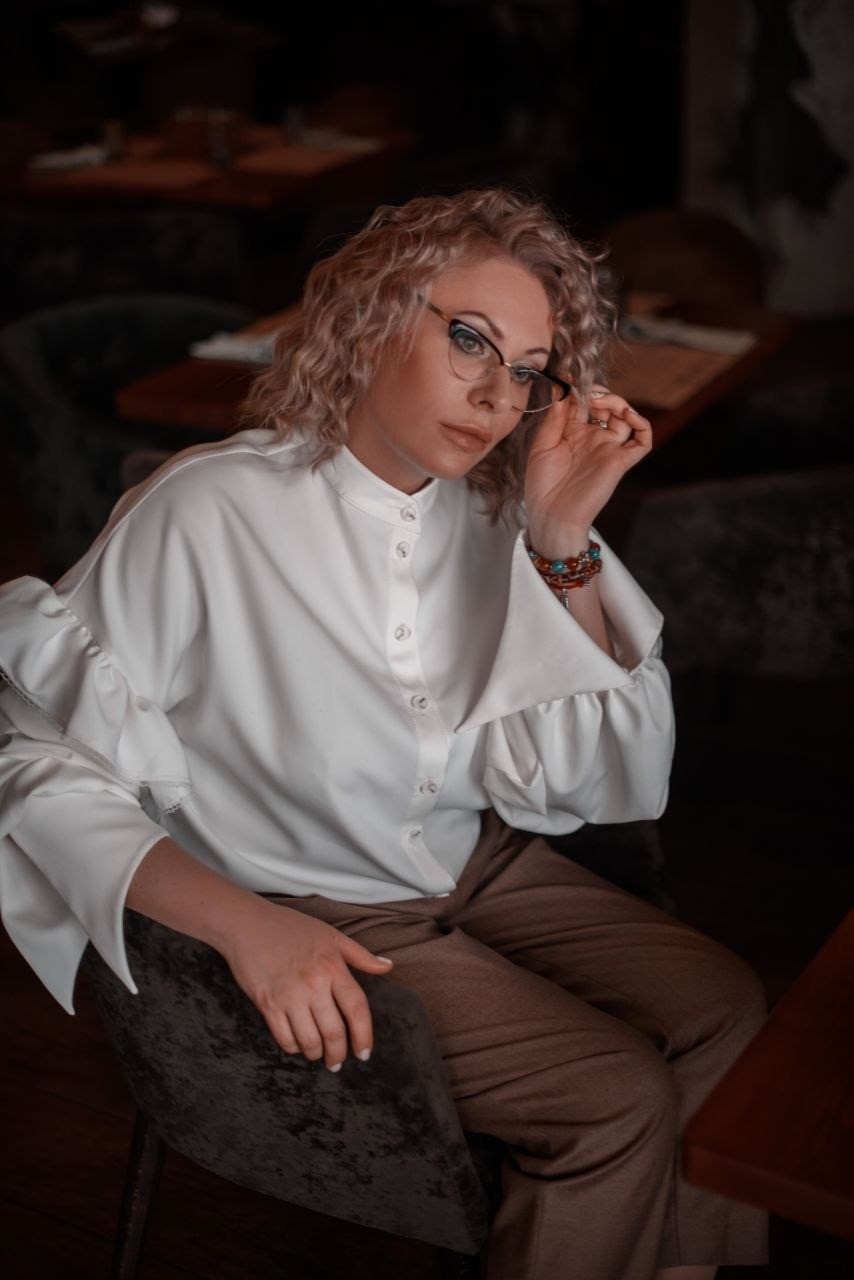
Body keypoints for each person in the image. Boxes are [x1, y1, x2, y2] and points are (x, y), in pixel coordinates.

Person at [0, 189, 767, 1280]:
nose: (497, 394)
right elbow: (28, 760)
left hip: (477, 863)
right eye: (470, 340)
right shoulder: (207, 512)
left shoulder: (502, 514)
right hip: (316, 899)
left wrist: (560, 539)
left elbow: (590, 781)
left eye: (530, 369)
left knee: (728, 1009)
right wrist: (248, 926)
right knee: (611, 1095)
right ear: (369, 316)